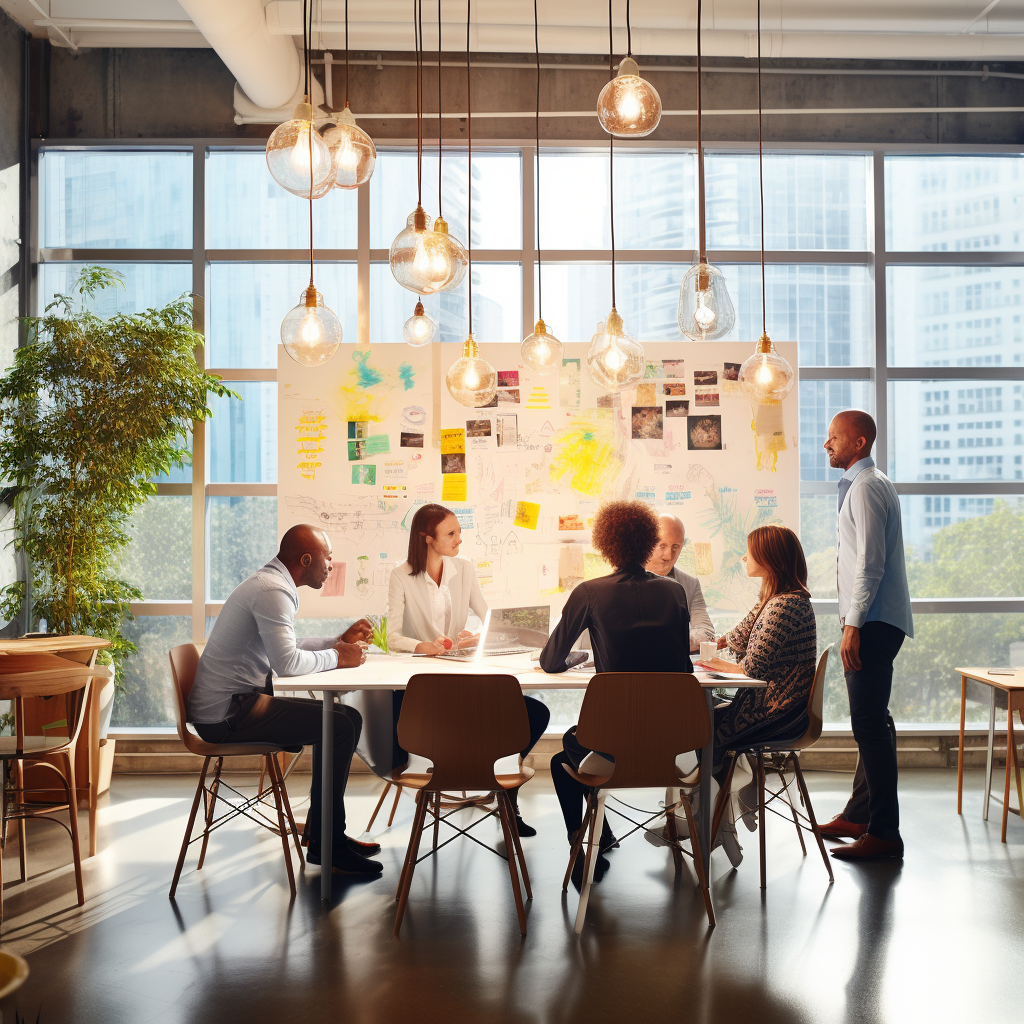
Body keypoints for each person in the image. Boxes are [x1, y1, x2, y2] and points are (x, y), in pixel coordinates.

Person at [188, 525, 383, 876]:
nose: (331, 565)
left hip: (234, 704)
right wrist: (339, 657)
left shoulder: (271, 585)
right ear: (306, 559)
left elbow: (287, 646)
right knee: (339, 724)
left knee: (347, 720)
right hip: (227, 714)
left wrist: (336, 641)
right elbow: (289, 664)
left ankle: (324, 835)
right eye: (328, 557)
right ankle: (329, 843)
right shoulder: (273, 591)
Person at [541, 500, 694, 872]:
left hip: (613, 747)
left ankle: (583, 848)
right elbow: (683, 666)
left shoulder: (589, 592)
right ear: (648, 543)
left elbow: (550, 661)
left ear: (605, 544)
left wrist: (575, 660)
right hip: (673, 744)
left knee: (566, 754)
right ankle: (602, 835)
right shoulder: (674, 593)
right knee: (577, 746)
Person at [387, 503, 551, 836]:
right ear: (427, 538)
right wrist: (423, 646)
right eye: (451, 534)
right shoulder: (400, 576)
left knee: (533, 713)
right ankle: (472, 782)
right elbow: (392, 637)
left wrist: (476, 636)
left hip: (459, 673)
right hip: (421, 685)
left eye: (459, 532)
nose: (459, 539)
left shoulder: (464, 569)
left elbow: (489, 617)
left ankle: (505, 792)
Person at [818, 409, 913, 860]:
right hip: (872, 620)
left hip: (871, 622)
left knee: (870, 725)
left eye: (834, 437)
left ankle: (884, 833)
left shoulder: (867, 488)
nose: (826, 444)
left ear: (858, 443)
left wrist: (852, 624)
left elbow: (869, 563)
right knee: (874, 722)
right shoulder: (866, 485)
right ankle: (860, 815)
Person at [701, 526, 817, 789]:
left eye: (750, 553)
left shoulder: (784, 605)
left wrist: (710, 662)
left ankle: (710, 813)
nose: (744, 557)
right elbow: (737, 636)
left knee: (700, 729)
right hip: (781, 705)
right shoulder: (774, 598)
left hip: (778, 710)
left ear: (769, 559)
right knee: (705, 718)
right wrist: (708, 644)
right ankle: (717, 808)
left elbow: (753, 668)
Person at [645, 513, 716, 652]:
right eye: (662, 545)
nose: (668, 556)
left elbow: (706, 631)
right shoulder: (618, 583)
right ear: (646, 544)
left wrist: (669, 642)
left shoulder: (690, 584)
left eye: (676, 547)